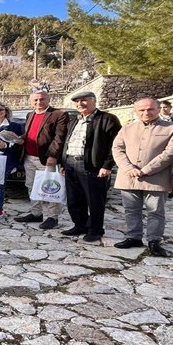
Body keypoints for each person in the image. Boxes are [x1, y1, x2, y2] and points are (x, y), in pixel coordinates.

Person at [112, 98, 173, 257]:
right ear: (136, 111)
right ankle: (133, 237)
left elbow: (171, 152)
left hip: (156, 177)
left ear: (158, 109)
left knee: (156, 211)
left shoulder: (172, 128)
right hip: (129, 176)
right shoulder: (127, 128)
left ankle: (154, 241)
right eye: (141, 110)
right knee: (131, 210)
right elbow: (117, 149)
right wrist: (128, 168)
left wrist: (147, 170)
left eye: (150, 109)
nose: (146, 113)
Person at [58, 92, 122, 242]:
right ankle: (80, 225)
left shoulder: (107, 119)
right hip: (70, 163)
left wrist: (107, 165)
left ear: (94, 101)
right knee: (74, 198)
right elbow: (68, 142)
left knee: (94, 200)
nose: (80, 104)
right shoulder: (74, 120)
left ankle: (95, 229)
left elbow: (116, 145)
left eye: (84, 100)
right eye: (77, 101)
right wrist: (63, 163)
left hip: (93, 166)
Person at [14, 90, 69, 229]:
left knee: (50, 187)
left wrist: (53, 155)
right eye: (35, 100)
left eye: (42, 99)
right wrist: (21, 139)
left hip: (47, 159)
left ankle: (52, 217)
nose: (38, 102)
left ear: (48, 99)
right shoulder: (30, 114)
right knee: (31, 186)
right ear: (31, 101)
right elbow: (31, 134)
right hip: (29, 157)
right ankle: (36, 213)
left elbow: (59, 138)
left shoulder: (59, 115)